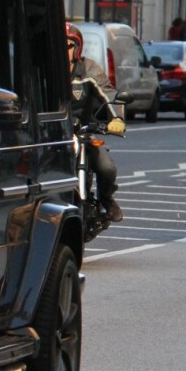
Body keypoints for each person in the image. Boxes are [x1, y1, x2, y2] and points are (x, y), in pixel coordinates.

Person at [67, 22, 123, 223]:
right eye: (60, 46)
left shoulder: (89, 69)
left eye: (69, 46)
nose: (64, 51)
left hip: (84, 132)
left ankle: (106, 200)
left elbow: (108, 92)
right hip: (56, 135)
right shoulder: (47, 72)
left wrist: (116, 118)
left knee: (106, 167)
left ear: (78, 48)